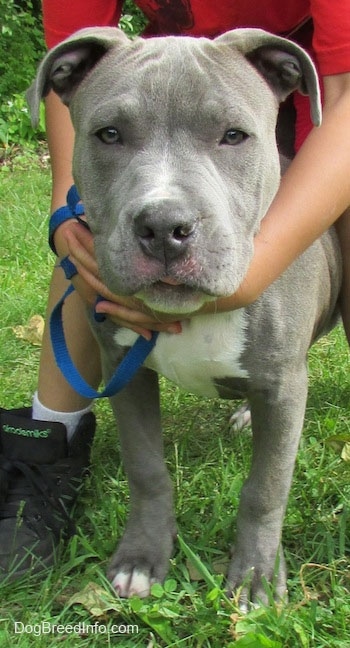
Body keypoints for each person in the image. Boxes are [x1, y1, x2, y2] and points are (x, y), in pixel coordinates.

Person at [0, 0, 349, 580]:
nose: (165, 212)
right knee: (91, 276)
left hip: (325, 111)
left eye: (232, 134)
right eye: (111, 134)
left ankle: (258, 535)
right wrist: (67, 218)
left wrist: (258, 264)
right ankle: (57, 449)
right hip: (170, 83)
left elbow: (342, 106)